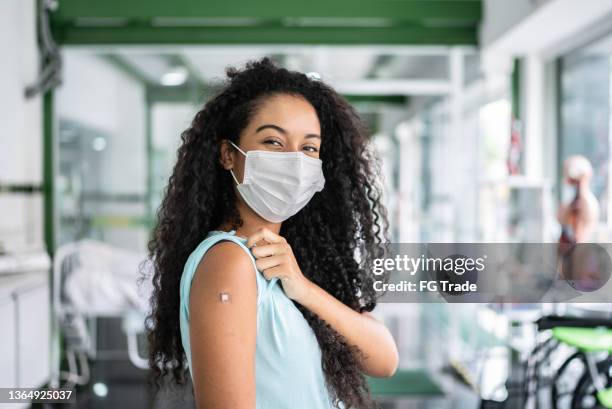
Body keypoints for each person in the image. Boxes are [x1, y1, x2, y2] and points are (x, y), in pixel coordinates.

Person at [146, 57, 399, 409]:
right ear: (228, 155)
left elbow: (384, 358)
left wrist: (304, 288)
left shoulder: (290, 261)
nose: (295, 162)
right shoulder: (229, 261)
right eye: (273, 142)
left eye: (309, 148)